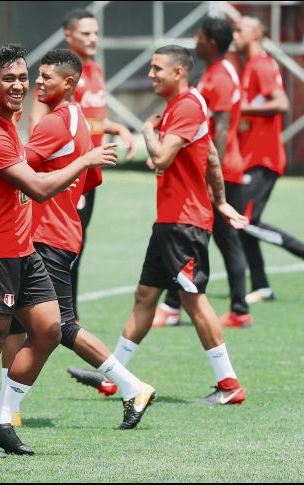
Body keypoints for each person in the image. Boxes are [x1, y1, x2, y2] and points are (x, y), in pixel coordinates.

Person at [0, 44, 117, 458]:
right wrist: (84, 160)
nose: (19, 86)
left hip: (23, 249)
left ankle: (0, 418)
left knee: (50, 329)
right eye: (8, 79)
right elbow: (38, 187)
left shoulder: (10, 123)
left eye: (23, 78)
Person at [0, 48, 154, 430]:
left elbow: (15, 169)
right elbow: (90, 179)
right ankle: (4, 412)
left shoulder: (53, 124)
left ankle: (132, 387)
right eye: (38, 74)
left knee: (59, 325)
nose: (37, 82)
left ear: (68, 83)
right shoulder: (79, 119)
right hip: (56, 232)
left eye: (45, 77)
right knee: (16, 323)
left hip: (47, 236)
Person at [109, 46, 248, 407]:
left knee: (192, 300)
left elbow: (161, 157)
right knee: (145, 295)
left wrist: (147, 130)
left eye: (157, 69)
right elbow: (211, 156)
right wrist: (221, 201)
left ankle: (229, 384)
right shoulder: (179, 106)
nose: (151, 74)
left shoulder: (186, 106)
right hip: (170, 222)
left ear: (179, 72)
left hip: (184, 222)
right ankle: (113, 378)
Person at [28, 8, 136, 324]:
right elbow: (40, 119)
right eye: (86, 33)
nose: (93, 39)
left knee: (75, 242)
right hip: (65, 174)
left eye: (96, 33)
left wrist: (115, 127)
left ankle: (65, 313)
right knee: (58, 242)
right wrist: (43, 158)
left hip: (87, 173)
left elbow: (87, 119)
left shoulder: (95, 71)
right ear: (69, 35)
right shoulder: (57, 74)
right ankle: (63, 315)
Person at [154, 17, 252, 329]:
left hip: (222, 169)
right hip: (211, 169)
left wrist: (212, 175)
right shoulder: (214, 72)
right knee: (198, 237)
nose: (195, 40)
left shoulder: (220, 75)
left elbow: (219, 130)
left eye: (199, 35)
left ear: (210, 42)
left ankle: (238, 309)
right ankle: (174, 305)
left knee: (217, 237)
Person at [234, 16, 304, 304]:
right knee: (242, 223)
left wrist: (240, 109)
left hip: (264, 159)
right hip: (250, 160)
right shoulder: (250, 66)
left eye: (239, 30)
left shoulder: (261, 65)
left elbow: (282, 103)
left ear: (256, 33)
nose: (234, 35)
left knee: (244, 221)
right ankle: (261, 287)